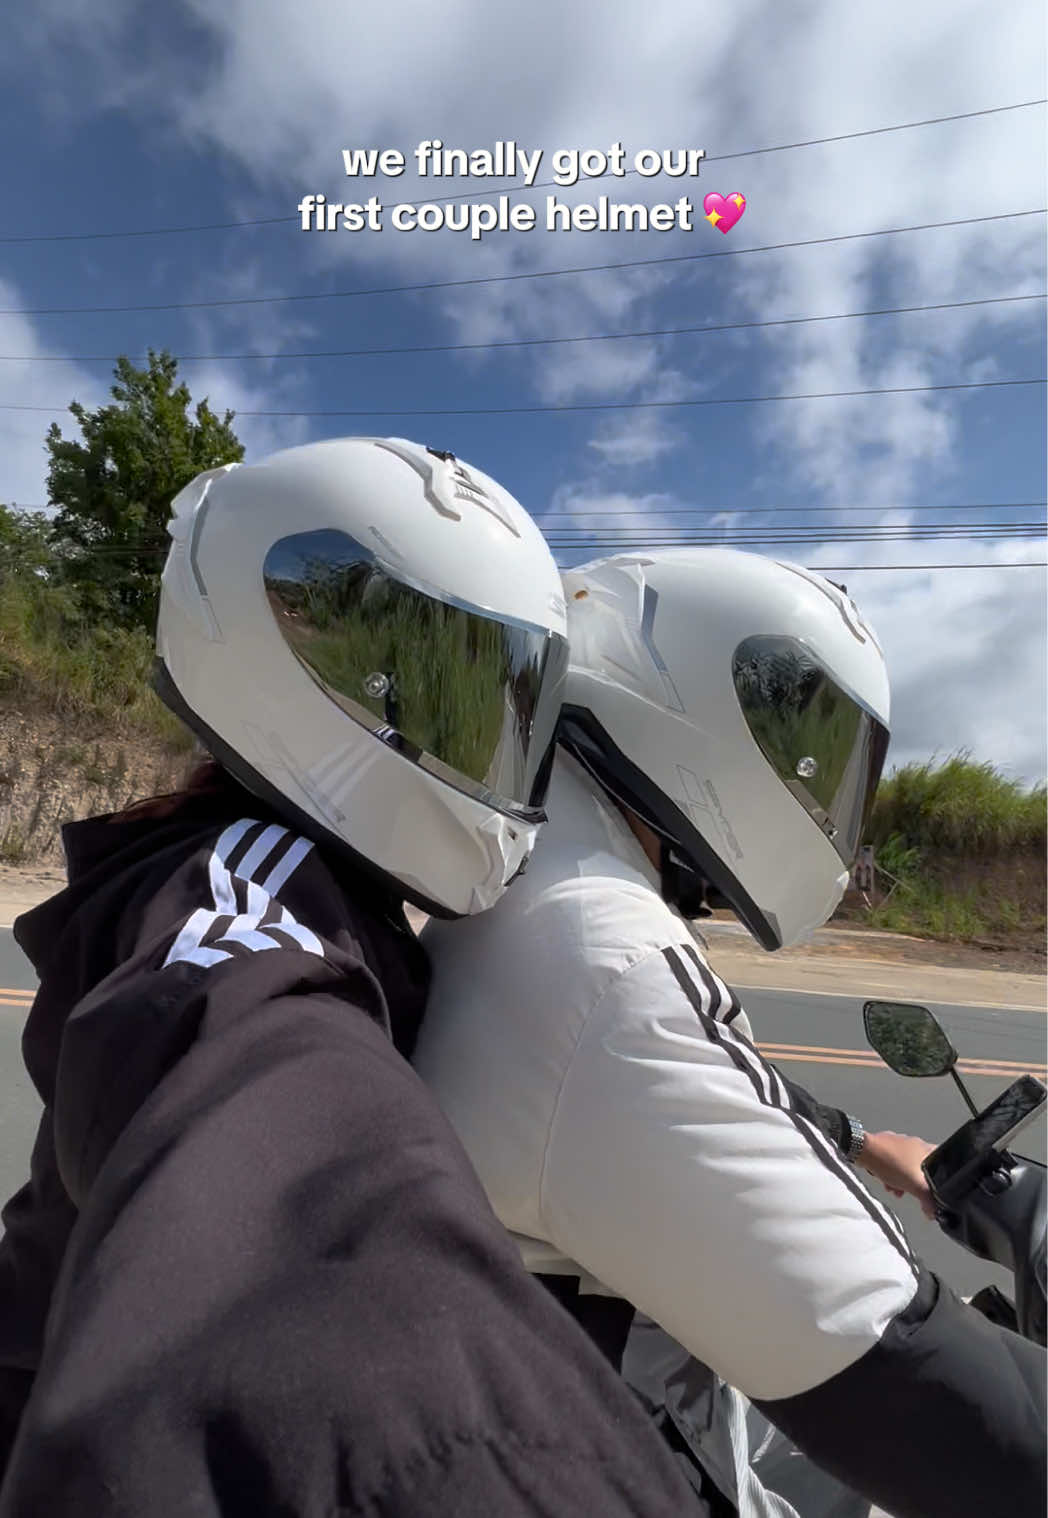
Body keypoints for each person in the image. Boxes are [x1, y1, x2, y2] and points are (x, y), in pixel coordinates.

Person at [0, 439, 711, 1517]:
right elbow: (264, 1082)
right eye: (438, 686)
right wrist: (484, 1461)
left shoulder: (298, 873)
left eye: (498, 696)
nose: (482, 732)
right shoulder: (242, 879)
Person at [411, 547, 1047, 1518]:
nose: (819, 789)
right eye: (808, 746)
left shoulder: (526, 892)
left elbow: (721, 1085)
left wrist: (861, 1142)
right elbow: (922, 1385)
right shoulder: (607, 967)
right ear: (697, 698)